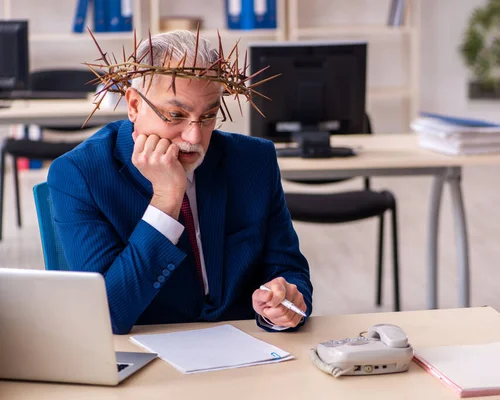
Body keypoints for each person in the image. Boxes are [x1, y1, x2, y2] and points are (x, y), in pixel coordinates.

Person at [47, 30, 313, 335]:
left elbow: (289, 270)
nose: (194, 137)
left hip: (248, 353)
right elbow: (105, 315)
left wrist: (284, 302)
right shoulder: (80, 174)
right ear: (133, 105)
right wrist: (165, 199)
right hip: (147, 359)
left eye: (209, 115)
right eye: (175, 115)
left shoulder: (255, 161)